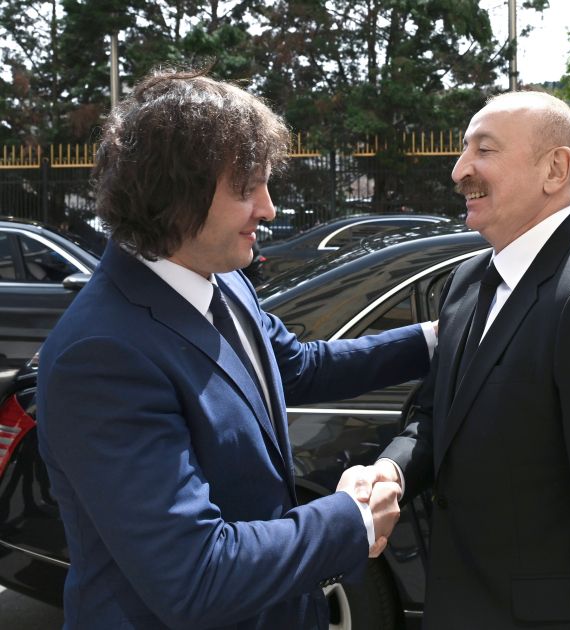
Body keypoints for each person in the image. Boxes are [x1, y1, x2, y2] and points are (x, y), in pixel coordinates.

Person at [35, 68, 435, 630]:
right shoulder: (101, 354)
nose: (268, 209)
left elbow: (296, 367)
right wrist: (353, 518)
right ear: (174, 193)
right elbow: (195, 576)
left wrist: (434, 339)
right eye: (246, 187)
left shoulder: (222, 280)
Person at [373, 91, 570, 628]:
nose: (459, 170)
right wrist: (391, 471)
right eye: (463, 150)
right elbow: (434, 415)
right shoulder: (469, 280)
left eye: (484, 150)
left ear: (555, 169)